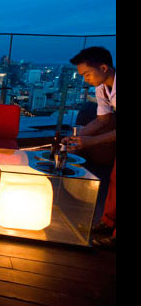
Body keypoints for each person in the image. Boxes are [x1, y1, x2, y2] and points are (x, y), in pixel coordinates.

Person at [62, 46, 116, 249]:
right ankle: (107, 222)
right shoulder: (102, 88)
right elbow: (102, 121)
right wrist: (75, 137)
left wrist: (92, 142)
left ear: (103, 67)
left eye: (87, 74)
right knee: (113, 179)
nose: (85, 79)